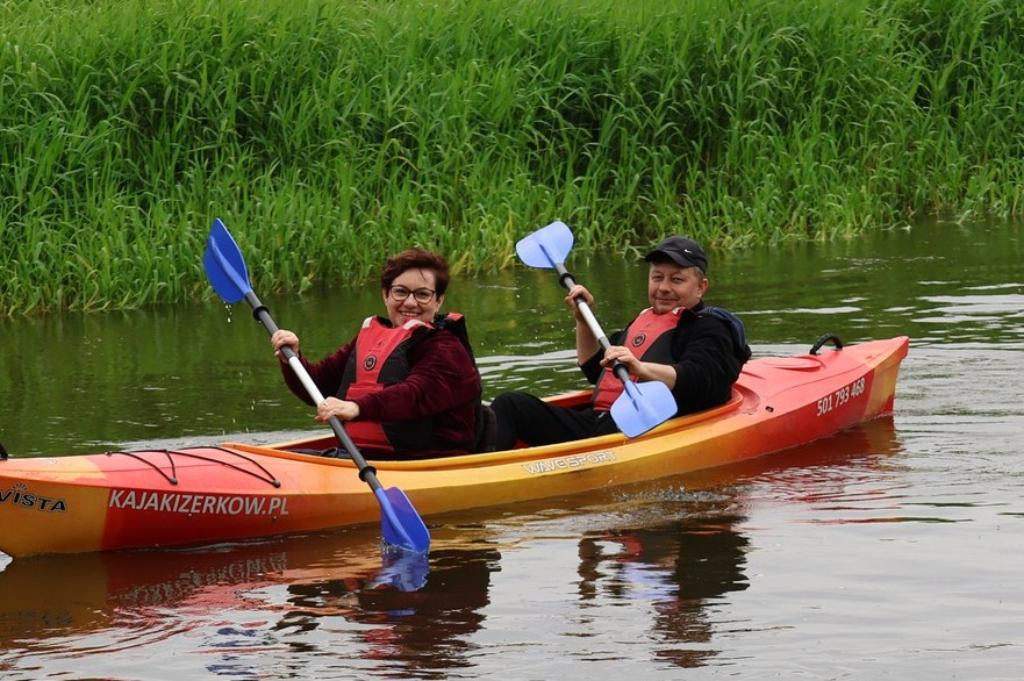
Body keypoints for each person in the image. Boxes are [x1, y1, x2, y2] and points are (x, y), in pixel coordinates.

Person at [490, 236, 751, 449]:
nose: (663, 287)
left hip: (646, 428)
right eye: (657, 277)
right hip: (601, 421)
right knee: (510, 404)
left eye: (677, 279)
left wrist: (641, 368)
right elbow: (595, 370)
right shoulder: (645, 320)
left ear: (701, 287)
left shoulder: (710, 327)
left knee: (612, 422)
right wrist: (582, 320)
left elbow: (702, 379)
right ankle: (481, 467)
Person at [270, 248, 483, 457]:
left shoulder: (447, 349)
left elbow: (414, 395)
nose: (410, 303)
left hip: (431, 460)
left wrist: (356, 407)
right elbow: (317, 387)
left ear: (438, 301)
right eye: (400, 292)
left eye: (422, 295)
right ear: (385, 295)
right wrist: (292, 359)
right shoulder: (371, 341)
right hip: (361, 456)